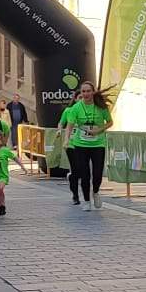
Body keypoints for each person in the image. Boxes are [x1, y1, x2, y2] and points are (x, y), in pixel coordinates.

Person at [59, 80, 112, 209]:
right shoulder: (76, 108)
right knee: (84, 174)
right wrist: (66, 140)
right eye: (83, 91)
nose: (86, 94)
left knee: (98, 173)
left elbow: (110, 122)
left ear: (93, 92)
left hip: (98, 144)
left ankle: (96, 192)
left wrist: (98, 130)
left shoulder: (101, 106)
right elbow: (69, 126)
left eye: (88, 91)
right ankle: (87, 201)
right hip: (80, 145)